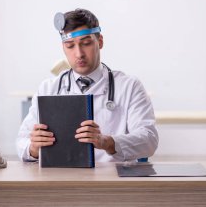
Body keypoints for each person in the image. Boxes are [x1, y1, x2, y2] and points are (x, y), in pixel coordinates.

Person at [16, 8, 159, 162]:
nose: (79, 54)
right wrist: (34, 148)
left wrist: (107, 142)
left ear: (100, 41)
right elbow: (21, 142)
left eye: (86, 43)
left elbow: (149, 140)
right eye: (70, 46)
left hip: (112, 181)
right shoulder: (48, 88)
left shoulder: (129, 86)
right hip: (62, 179)